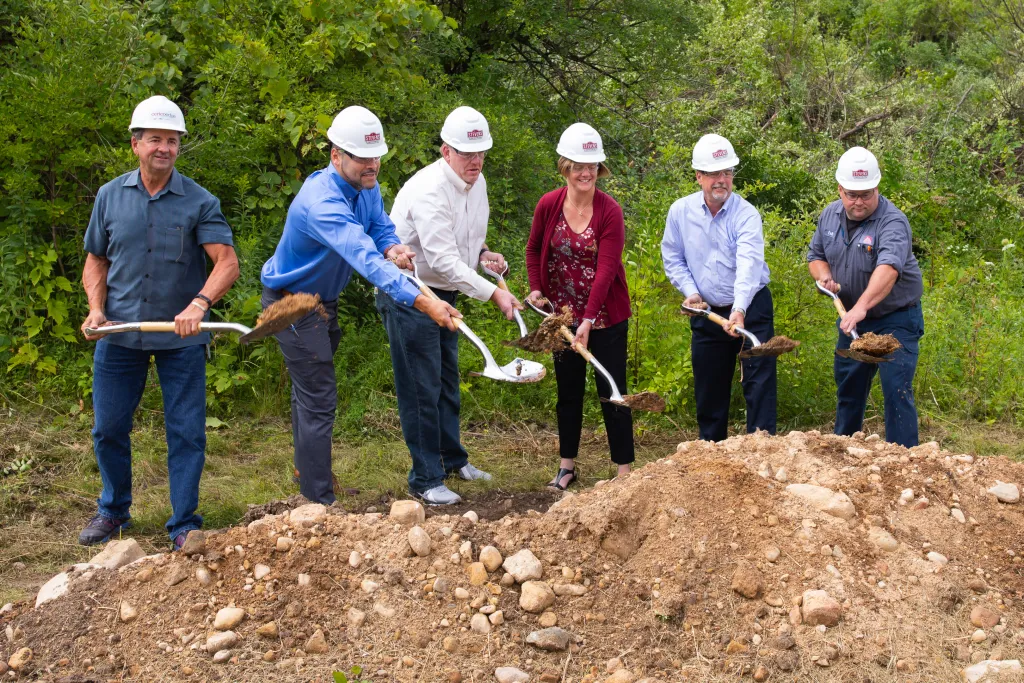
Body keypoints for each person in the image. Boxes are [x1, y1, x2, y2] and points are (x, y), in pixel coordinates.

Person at [260, 105, 461, 505]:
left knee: (308, 394)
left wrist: (392, 245)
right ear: (336, 155)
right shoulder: (322, 202)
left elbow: (378, 228)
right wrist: (424, 302)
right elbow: (363, 257)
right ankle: (319, 502)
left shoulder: (366, 185)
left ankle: (309, 474)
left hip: (323, 302)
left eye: (376, 157)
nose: (373, 165)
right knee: (319, 398)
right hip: (292, 304)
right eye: (362, 158)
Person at [79, 96, 240, 549]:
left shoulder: (199, 201)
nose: (164, 148)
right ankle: (113, 511)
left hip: (180, 338)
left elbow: (226, 263)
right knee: (108, 427)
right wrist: (96, 308)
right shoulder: (110, 196)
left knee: (186, 432)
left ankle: (184, 522)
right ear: (136, 144)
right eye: (155, 139)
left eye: (172, 141)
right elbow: (96, 260)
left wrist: (199, 304)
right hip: (119, 335)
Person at [383, 106, 520, 505]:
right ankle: (425, 480)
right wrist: (494, 293)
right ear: (446, 151)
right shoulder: (429, 189)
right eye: (466, 153)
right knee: (420, 386)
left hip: (445, 292)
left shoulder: (477, 182)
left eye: (481, 153)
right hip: (410, 293)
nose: (475, 161)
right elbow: (441, 260)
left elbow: (464, 245)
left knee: (446, 380)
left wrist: (483, 256)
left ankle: (452, 460)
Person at [525, 123, 634, 489]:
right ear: (565, 167)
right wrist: (538, 290)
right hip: (564, 319)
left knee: (611, 389)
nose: (586, 173)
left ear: (599, 169)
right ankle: (567, 466)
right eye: (578, 166)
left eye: (592, 166)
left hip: (604, 318)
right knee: (568, 392)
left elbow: (606, 270)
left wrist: (589, 320)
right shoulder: (548, 204)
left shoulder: (610, 211)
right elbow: (534, 249)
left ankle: (623, 471)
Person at [661, 134, 775, 442]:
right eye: (713, 173)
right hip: (707, 311)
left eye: (726, 173)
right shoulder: (680, 213)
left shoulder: (746, 214)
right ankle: (711, 455)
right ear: (699, 175)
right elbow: (673, 258)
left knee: (759, 382)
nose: (721, 180)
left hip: (751, 308)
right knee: (710, 386)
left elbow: (749, 266)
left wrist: (739, 310)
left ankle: (761, 451)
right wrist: (691, 292)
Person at [808, 146, 924, 446]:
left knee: (895, 387)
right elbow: (816, 256)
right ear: (839, 189)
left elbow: (888, 269)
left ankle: (904, 459)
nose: (858, 201)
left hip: (896, 319)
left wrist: (859, 307)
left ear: (877, 187)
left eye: (866, 194)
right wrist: (824, 277)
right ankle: (844, 450)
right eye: (851, 194)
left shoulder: (893, 222)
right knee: (850, 385)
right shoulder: (829, 216)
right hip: (853, 320)